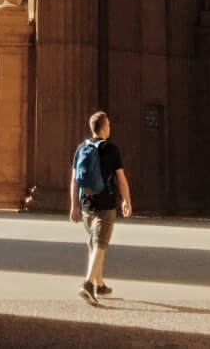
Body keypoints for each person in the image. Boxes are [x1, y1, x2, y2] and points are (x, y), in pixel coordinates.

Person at [69, 109, 132, 305]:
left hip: (86, 201)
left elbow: (74, 180)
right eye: (109, 125)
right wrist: (126, 200)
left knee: (94, 242)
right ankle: (88, 284)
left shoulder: (81, 148)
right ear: (103, 127)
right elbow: (121, 179)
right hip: (106, 201)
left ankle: (100, 284)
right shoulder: (111, 149)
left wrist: (74, 206)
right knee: (100, 243)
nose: (110, 128)